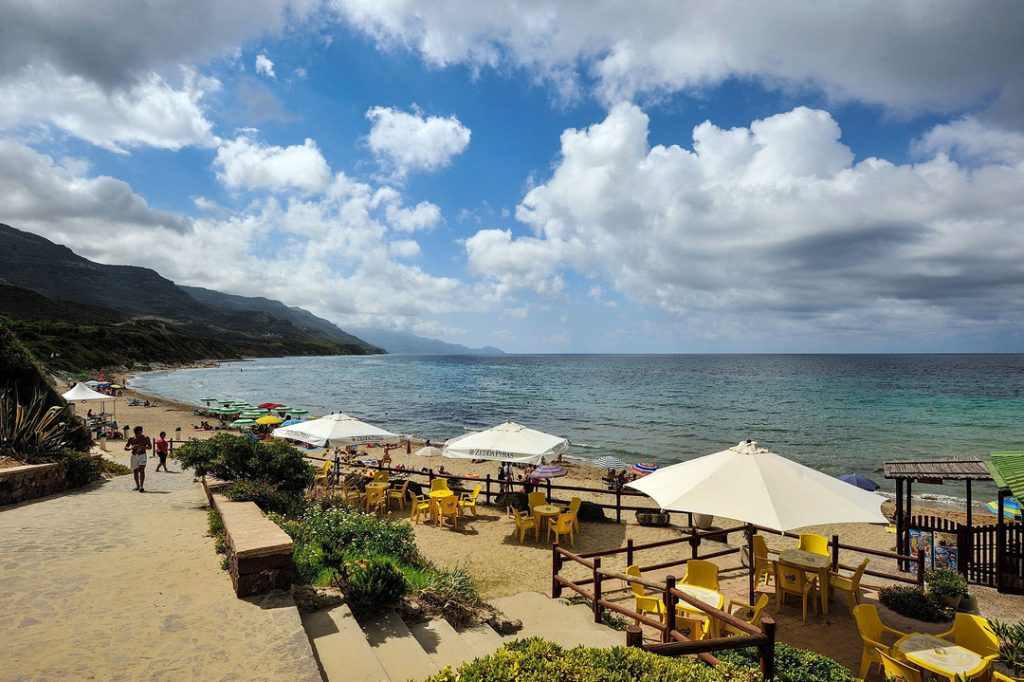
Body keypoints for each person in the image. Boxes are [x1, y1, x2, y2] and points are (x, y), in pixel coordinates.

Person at [125, 426, 151, 492]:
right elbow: (125, 447)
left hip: (142, 455)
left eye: (140, 432)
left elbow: (150, 447)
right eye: (137, 433)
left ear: (141, 432)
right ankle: (137, 485)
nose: (139, 434)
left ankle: (141, 486)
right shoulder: (131, 439)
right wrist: (131, 448)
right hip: (134, 456)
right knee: (135, 471)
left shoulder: (146, 438)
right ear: (135, 433)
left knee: (141, 469)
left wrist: (143, 447)